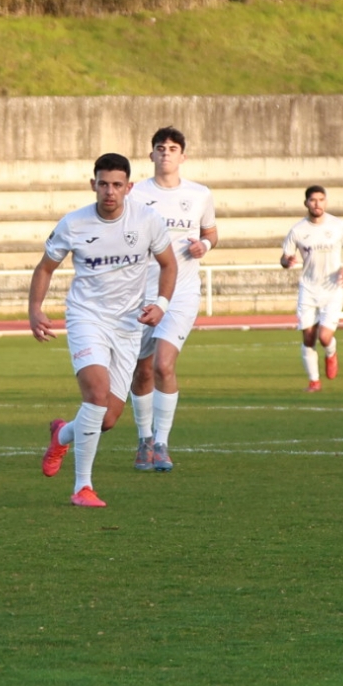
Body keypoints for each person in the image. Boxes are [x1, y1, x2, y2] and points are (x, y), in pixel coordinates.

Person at [30, 153, 177, 508]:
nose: (109, 191)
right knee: (96, 395)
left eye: (116, 185)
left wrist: (161, 304)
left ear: (128, 187)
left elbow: (169, 264)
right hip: (86, 317)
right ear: (93, 184)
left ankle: (62, 434)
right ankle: (83, 487)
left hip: (127, 324)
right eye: (103, 184)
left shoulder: (147, 220)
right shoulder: (74, 224)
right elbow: (46, 268)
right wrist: (35, 309)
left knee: (108, 418)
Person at [128, 127, 218, 473]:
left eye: (172, 148)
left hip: (181, 292)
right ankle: (143, 439)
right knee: (144, 368)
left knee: (165, 364)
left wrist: (204, 246)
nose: (166, 153)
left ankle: (162, 443)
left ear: (183, 156)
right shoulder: (136, 195)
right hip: (142, 292)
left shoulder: (199, 195)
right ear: (151, 155)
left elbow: (210, 232)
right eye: (160, 148)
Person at [280, 185, 343, 392]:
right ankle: (314, 382)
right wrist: (287, 261)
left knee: (324, 337)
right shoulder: (297, 230)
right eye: (313, 200)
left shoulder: (338, 225)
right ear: (306, 203)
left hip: (333, 288)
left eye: (321, 200)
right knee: (308, 338)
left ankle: (331, 352)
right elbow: (284, 259)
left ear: (326, 202)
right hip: (309, 288)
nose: (317, 204)